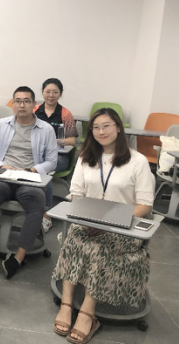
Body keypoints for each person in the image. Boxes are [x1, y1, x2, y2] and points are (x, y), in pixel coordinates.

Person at [52, 108, 153, 344]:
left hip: (123, 227)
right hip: (87, 221)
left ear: (118, 128)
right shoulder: (86, 157)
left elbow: (145, 204)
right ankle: (66, 304)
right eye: (96, 127)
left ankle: (87, 313)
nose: (101, 131)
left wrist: (109, 223)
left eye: (106, 126)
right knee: (74, 239)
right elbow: (76, 193)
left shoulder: (137, 161)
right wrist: (88, 219)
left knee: (99, 249)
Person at [0, 86, 57, 279]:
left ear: (34, 104)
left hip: (29, 179)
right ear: (13, 104)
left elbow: (52, 161)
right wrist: (2, 165)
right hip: (4, 176)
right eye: (18, 101)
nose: (22, 105)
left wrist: (31, 170)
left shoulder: (46, 129)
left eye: (26, 101)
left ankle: (19, 257)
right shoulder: (1, 124)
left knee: (37, 205)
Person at [34, 78, 78, 232]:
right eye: (48, 92)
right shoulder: (34, 111)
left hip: (60, 156)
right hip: (37, 155)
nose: (51, 95)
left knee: (43, 170)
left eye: (55, 92)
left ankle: (46, 213)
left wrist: (55, 141)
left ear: (60, 94)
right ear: (42, 92)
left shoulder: (65, 114)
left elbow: (72, 141)